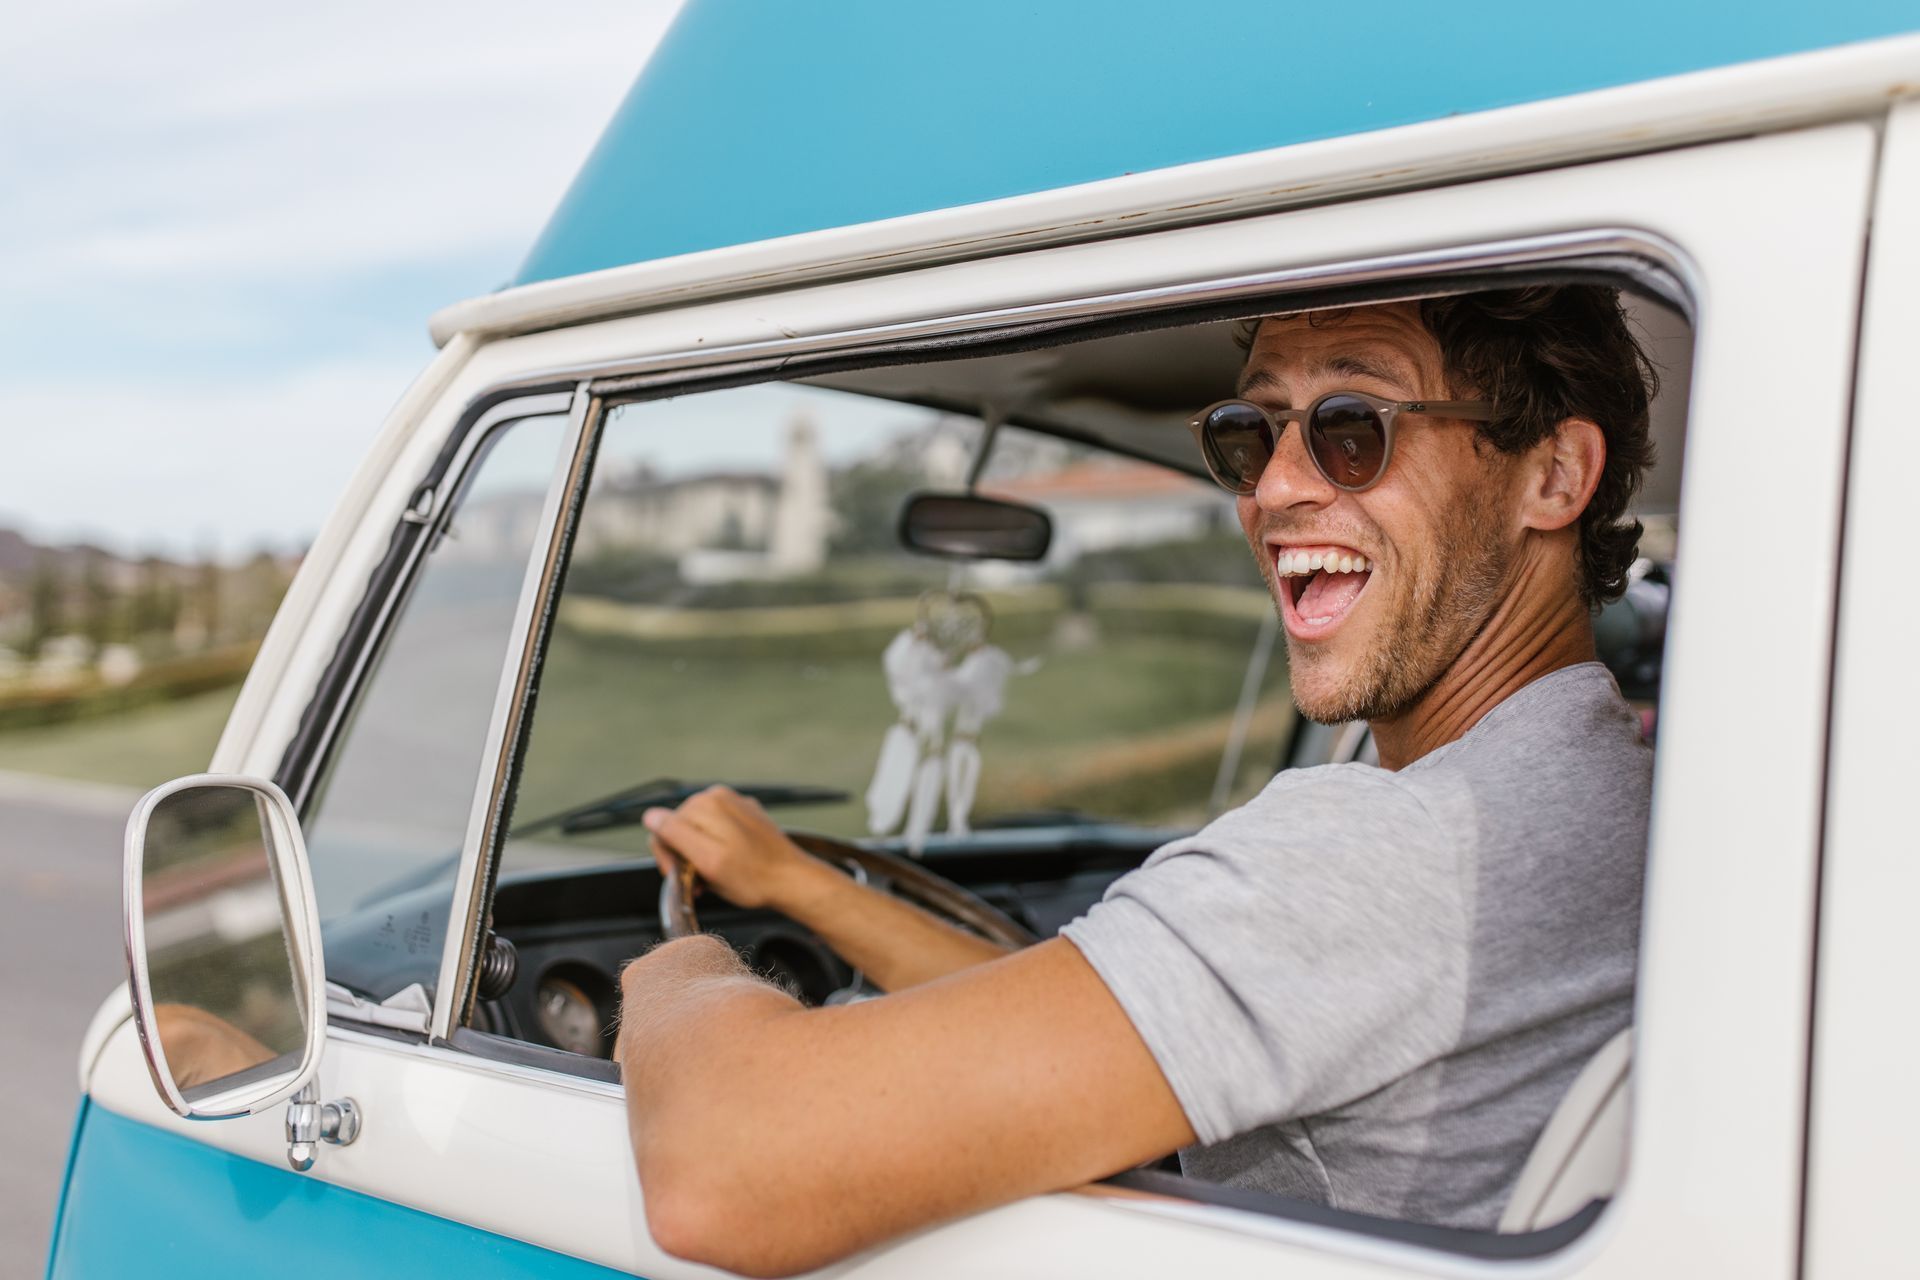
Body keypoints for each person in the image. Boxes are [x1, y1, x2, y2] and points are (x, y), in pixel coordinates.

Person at [614, 286, 1657, 1277]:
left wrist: (675, 965)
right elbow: (1097, 1025)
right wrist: (799, 885)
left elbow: (722, 1160)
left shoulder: (1392, 846)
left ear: (1554, 475)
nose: (1276, 489)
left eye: (1352, 426)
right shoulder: (1624, 800)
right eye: (1252, 435)